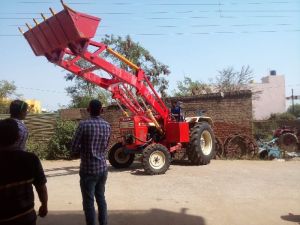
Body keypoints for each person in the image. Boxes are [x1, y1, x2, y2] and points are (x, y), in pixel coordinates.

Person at [0, 118, 48, 225]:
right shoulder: (31, 159)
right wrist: (44, 205)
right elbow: (41, 187)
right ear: (18, 137)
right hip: (26, 217)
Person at [71, 99, 111, 225]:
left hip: (88, 170)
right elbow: (106, 146)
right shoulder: (107, 125)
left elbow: (73, 148)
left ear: (88, 110)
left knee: (88, 202)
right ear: (102, 110)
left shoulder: (83, 125)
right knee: (101, 198)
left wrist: (81, 151)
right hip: (103, 169)